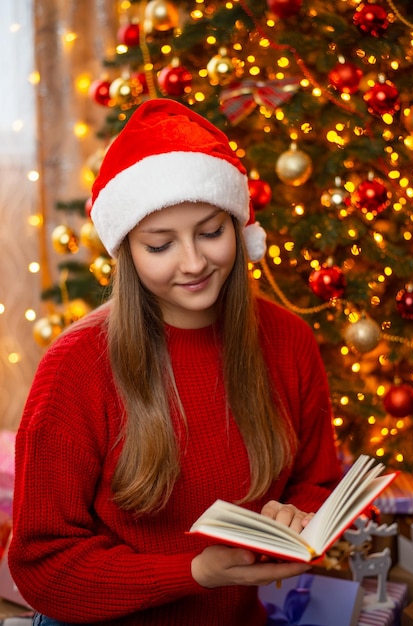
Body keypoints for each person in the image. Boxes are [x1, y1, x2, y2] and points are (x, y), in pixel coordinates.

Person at [9, 98, 342, 626]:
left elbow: (317, 480)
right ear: (127, 254)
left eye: (211, 232)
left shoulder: (288, 339)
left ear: (238, 227)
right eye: (160, 244)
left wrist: (296, 514)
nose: (193, 263)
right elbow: (42, 567)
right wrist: (194, 572)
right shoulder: (75, 367)